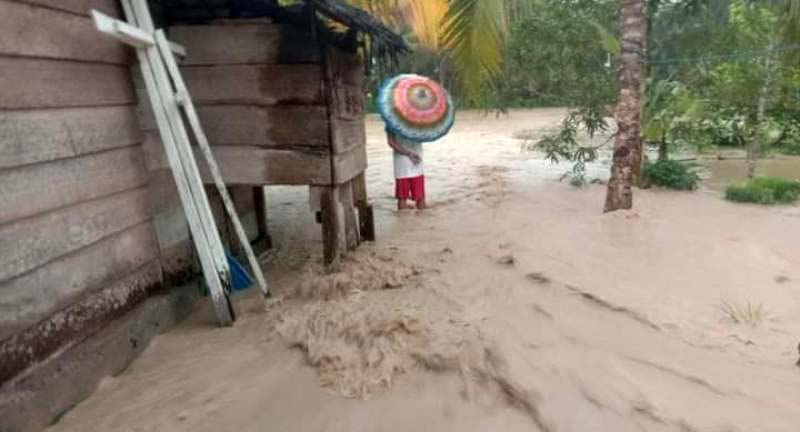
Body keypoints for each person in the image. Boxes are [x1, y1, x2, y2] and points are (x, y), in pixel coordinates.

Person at [387, 131, 426, 210]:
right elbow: (425, 136)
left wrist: (408, 153)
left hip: (401, 165)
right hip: (416, 160)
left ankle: (403, 217)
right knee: (420, 198)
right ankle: (424, 217)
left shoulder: (391, 123)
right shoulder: (419, 123)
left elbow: (391, 143)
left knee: (402, 197)